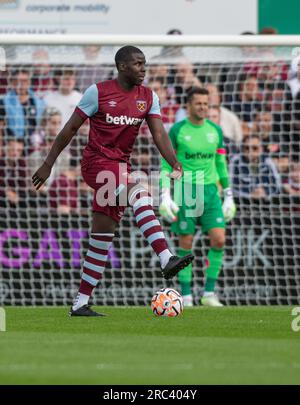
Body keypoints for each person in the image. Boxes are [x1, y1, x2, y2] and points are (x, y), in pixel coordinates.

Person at [32, 45, 194, 317]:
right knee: (139, 193)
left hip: (120, 168)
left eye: (144, 63)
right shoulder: (98, 92)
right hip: (96, 165)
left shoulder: (148, 97)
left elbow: (159, 134)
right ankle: (166, 257)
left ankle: (80, 303)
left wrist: (174, 161)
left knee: (102, 238)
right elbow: (70, 128)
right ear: (122, 67)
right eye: (138, 64)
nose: (143, 68)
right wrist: (48, 164)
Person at [159, 87, 236, 307]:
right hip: (186, 190)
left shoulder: (215, 131)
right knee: (186, 242)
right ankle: (186, 295)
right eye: (199, 103)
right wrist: (165, 193)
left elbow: (221, 164)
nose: (203, 107)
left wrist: (228, 194)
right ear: (188, 106)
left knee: (219, 239)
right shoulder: (177, 130)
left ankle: (209, 293)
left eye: (206, 104)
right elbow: (166, 163)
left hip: (211, 190)